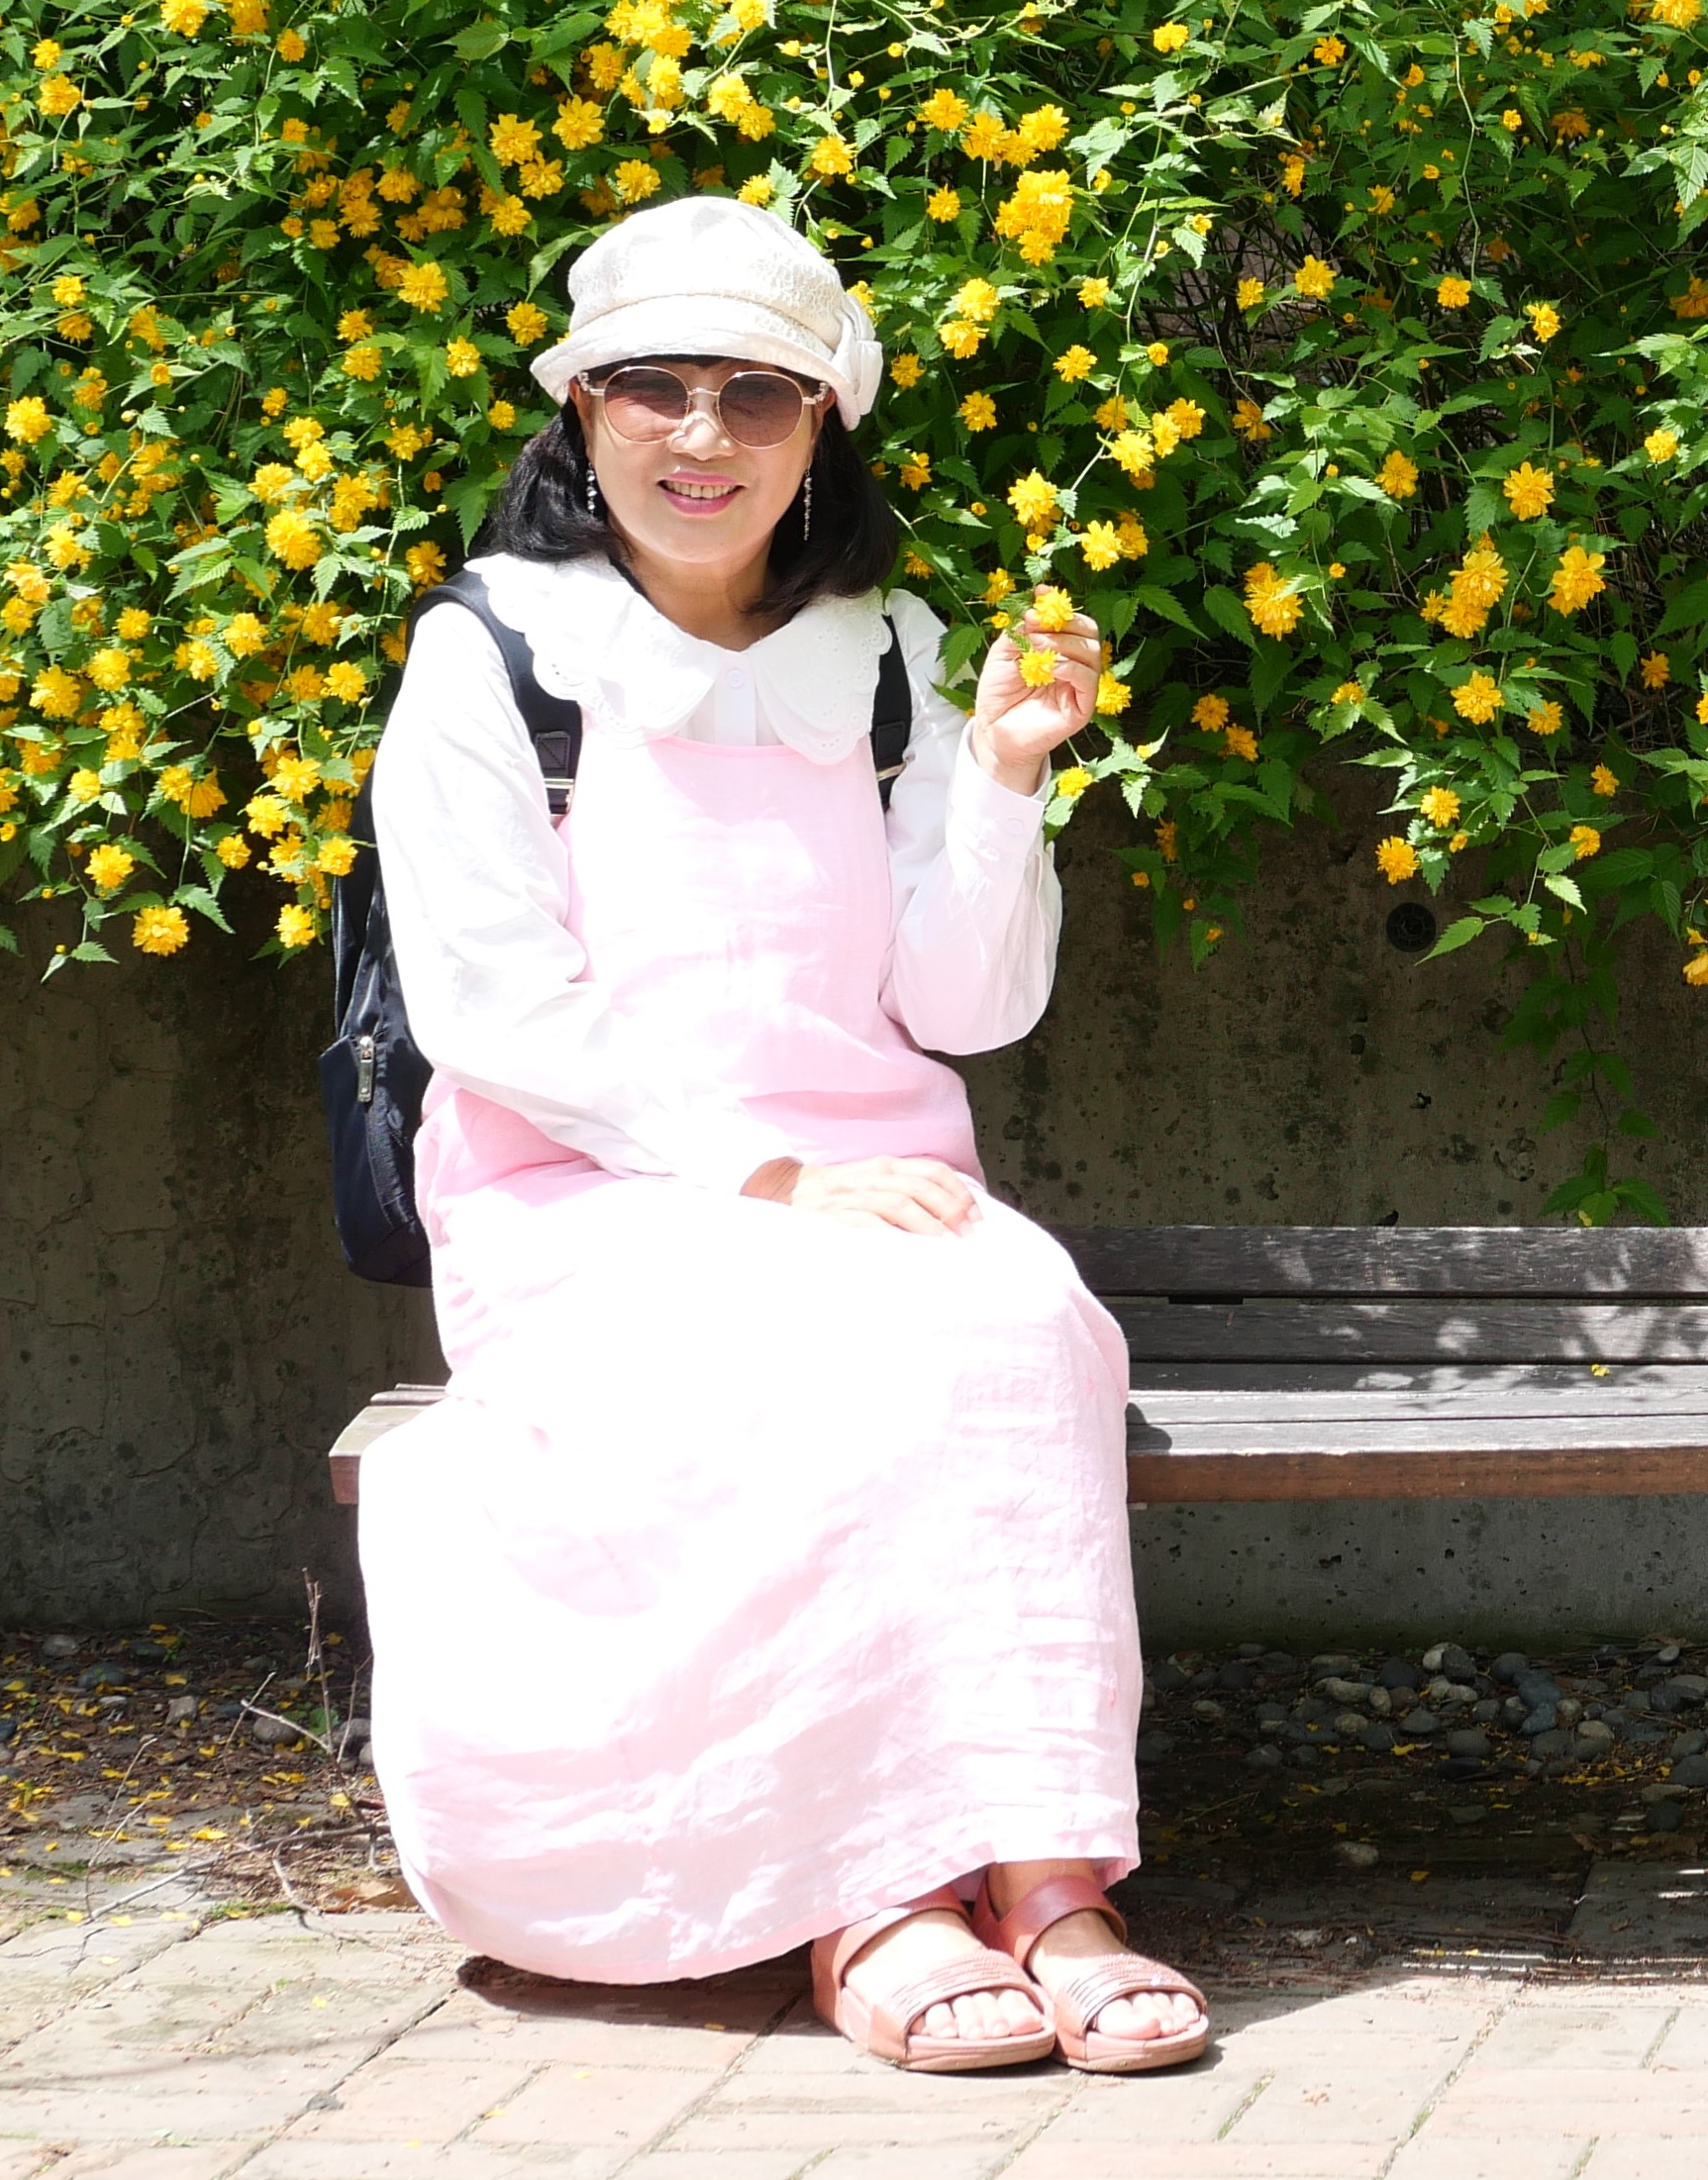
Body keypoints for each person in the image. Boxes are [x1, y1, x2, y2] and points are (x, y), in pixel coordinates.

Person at [355, 196, 1207, 2075]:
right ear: (578, 411)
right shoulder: (491, 653)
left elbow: (965, 1006)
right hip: (588, 1199)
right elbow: (493, 1006)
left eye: (756, 393)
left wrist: (1004, 777)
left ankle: (1051, 1879)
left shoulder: (894, 651)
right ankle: (871, 1897)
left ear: (824, 423)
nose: (701, 434)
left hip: (880, 1184)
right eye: (649, 387)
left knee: (1019, 1321)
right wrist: (770, 1179)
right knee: (811, 1341)